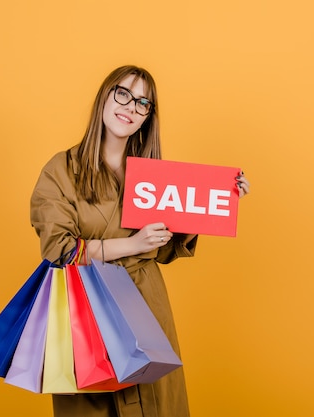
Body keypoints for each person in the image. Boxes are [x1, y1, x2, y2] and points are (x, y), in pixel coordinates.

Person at [30, 65, 250, 417]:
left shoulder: (152, 174)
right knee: (93, 404)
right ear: (104, 96)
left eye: (143, 102)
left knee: (157, 404)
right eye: (123, 94)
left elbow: (164, 249)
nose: (130, 107)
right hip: (85, 310)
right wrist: (134, 244)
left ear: (148, 116)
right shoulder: (60, 170)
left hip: (145, 304)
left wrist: (222, 197)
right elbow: (60, 249)